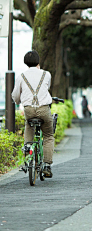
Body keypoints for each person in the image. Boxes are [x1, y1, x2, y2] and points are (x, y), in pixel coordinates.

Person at [12, 50, 54, 178]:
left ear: (25, 62)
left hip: (29, 109)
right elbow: (47, 88)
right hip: (43, 109)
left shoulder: (21, 76)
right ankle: (47, 165)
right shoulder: (46, 74)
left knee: (28, 125)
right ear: (38, 62)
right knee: (48, 135)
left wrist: (19, 101)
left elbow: (15, 95)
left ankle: (28, 153)